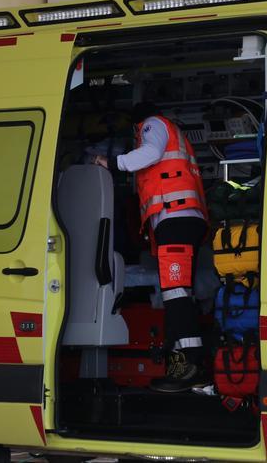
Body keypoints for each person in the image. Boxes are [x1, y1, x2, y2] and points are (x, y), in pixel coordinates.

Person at [93, 102, 209, 393]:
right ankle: (190, 363)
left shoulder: (152, 125)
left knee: (176, 294)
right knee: (180, 293)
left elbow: (151, 153)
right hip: (180, 220)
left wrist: (114, 163)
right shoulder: (169, 130)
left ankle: (188, 366)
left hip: (176, 219)